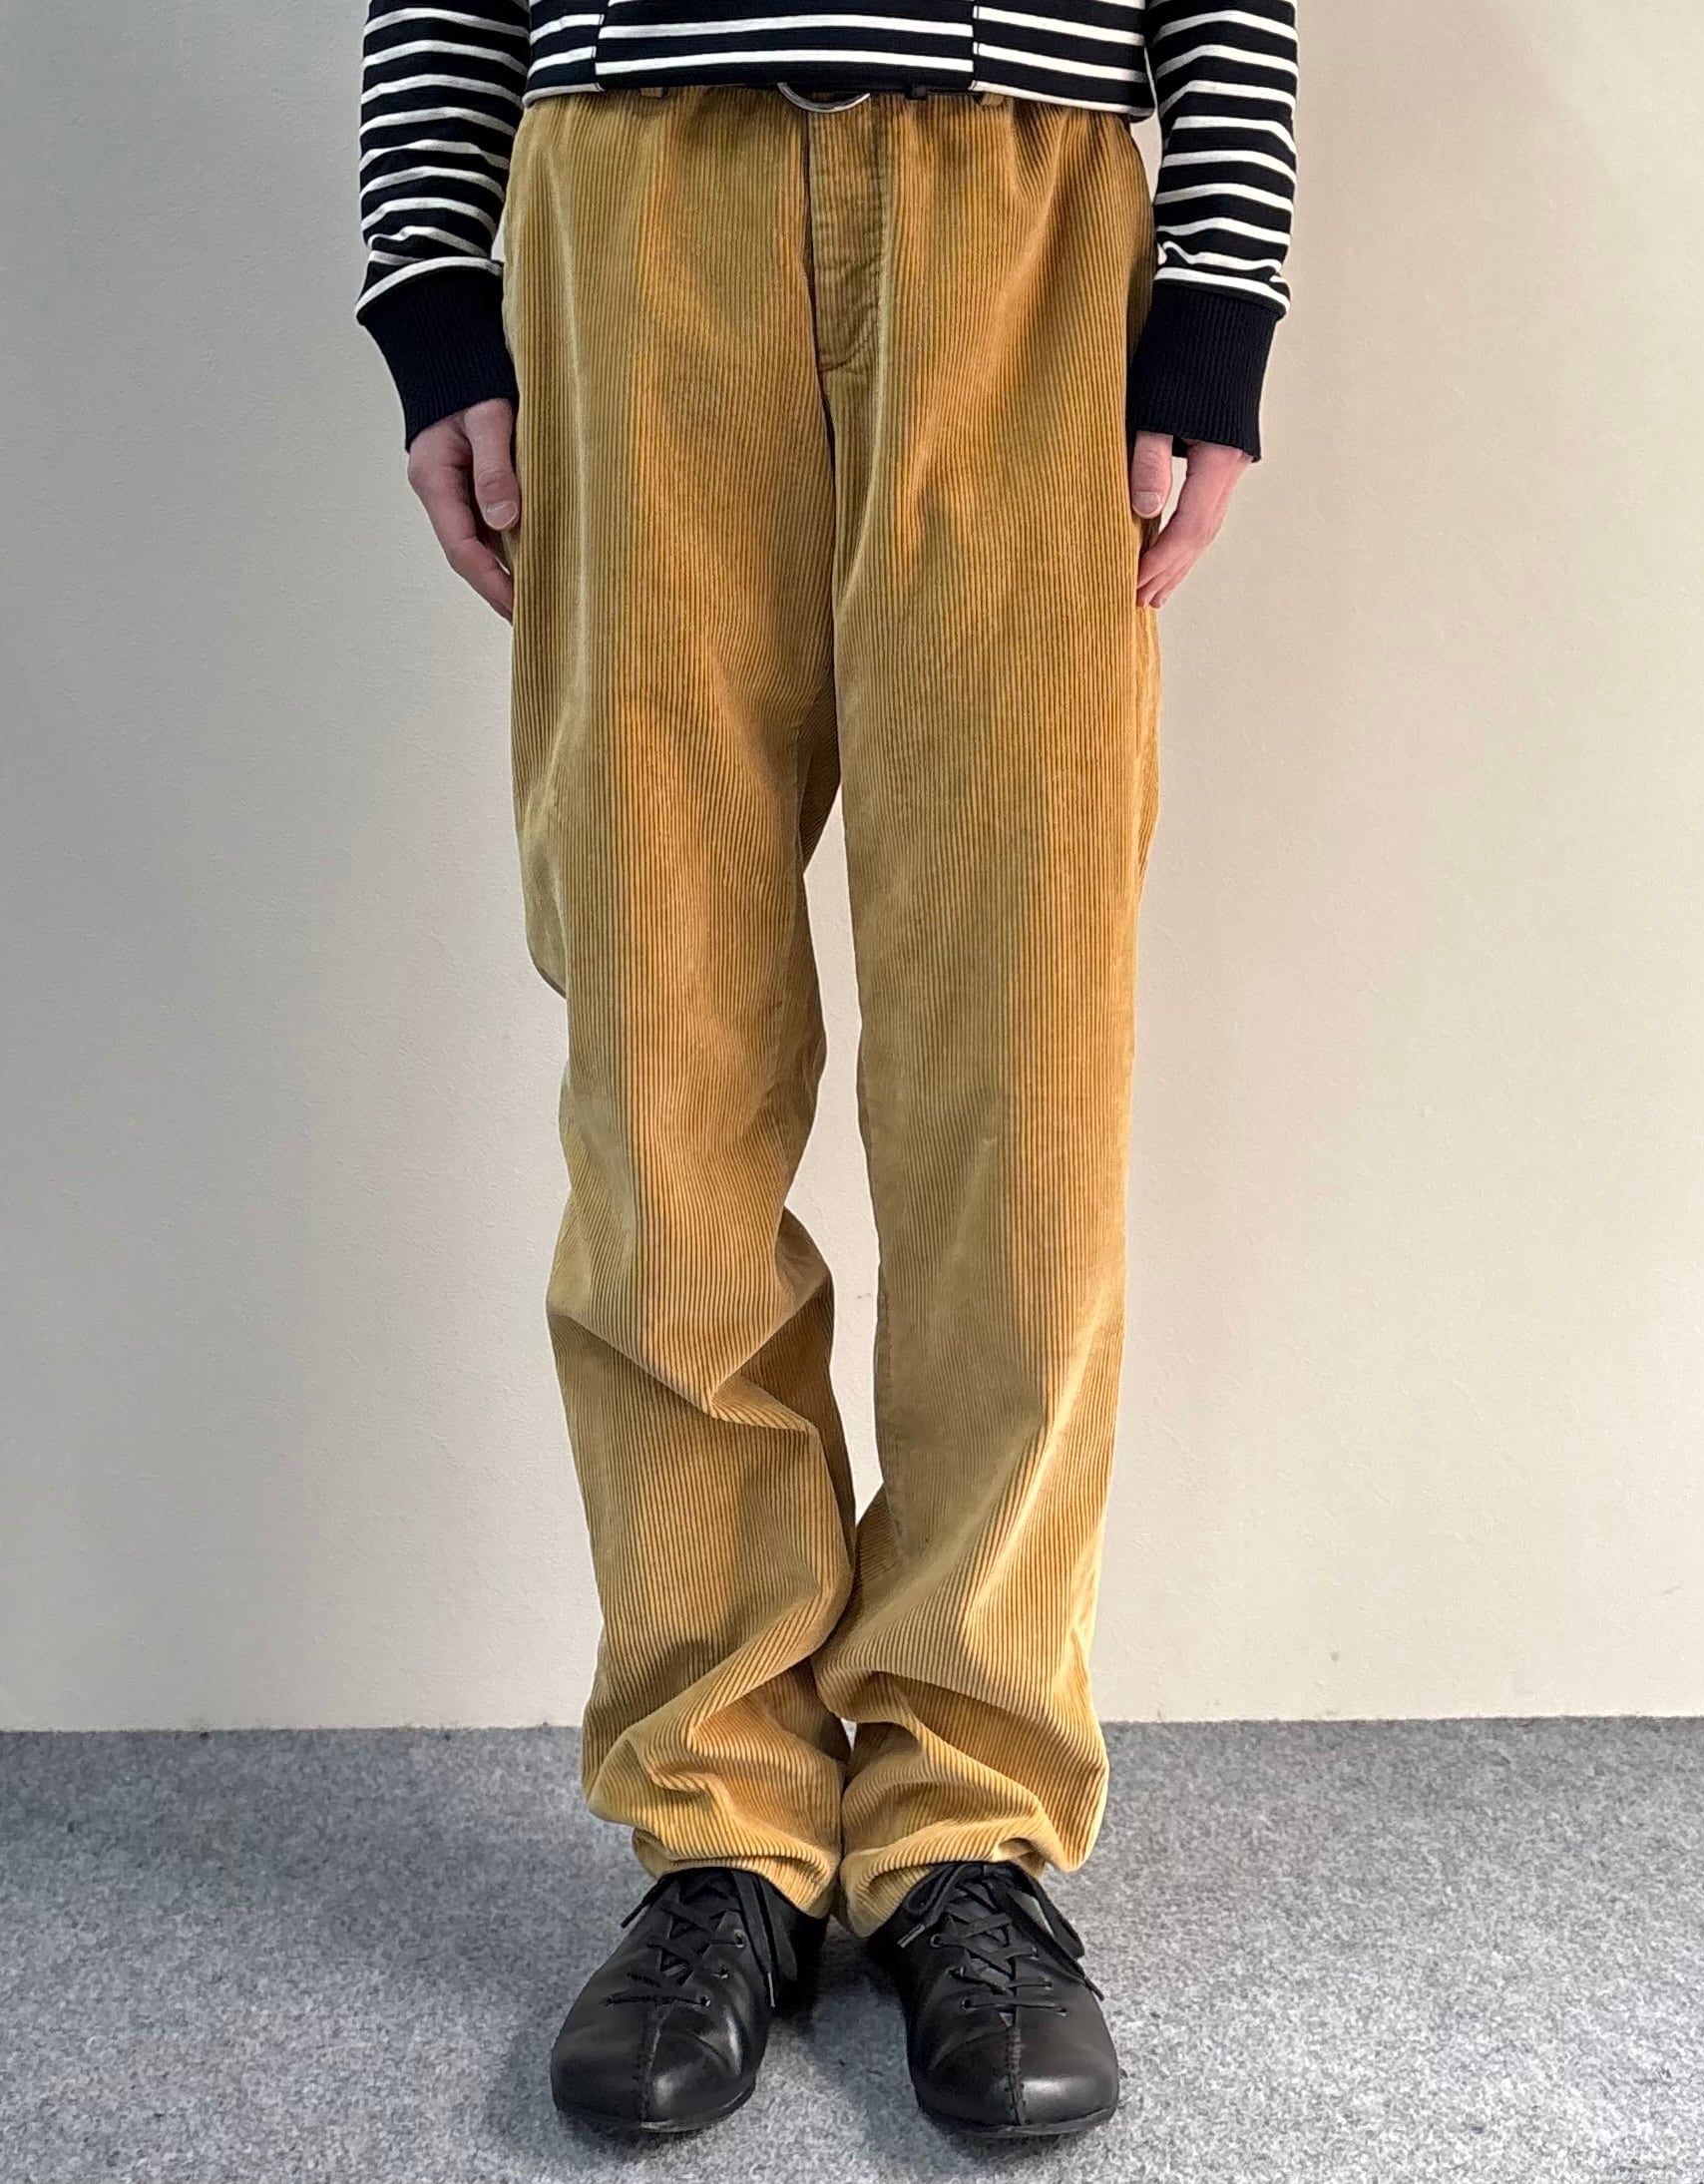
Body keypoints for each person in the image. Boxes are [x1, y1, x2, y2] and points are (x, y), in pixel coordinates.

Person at [356, 0, 1295, 2141]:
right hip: (632, 196)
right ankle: (726, 1823)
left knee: (1022, 1088)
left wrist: (1219, 293)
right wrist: (432, 283)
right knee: (661, 1072)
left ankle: (965, 1812)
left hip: (1025, 206)